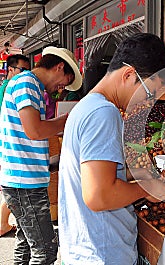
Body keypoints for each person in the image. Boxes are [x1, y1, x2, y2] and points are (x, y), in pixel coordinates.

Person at [58, 33, 165, 265]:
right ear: (129, 74)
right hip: (102, 254)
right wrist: (146, 188)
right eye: (150, 92)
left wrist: (136, 174)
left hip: (86, 249)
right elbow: (99, 196)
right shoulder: (104, 114)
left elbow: (94, 176)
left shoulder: (86, 107)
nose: (148, 101)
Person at [0, 46, 82, 264]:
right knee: (45, 251)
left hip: (23, 179)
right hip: (24, 183)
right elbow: (34, 131)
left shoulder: (28, 84)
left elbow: (27, 138)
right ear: (59, 66)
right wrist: (67, 120)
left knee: (27, 244)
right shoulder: (27, 83)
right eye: (65, 80)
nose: (61, 87)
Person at [0, 54, 30, 237]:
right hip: (7, 142)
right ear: (10, 69)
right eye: (23, 70)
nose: (26, 74)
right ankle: (3, 222)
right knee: (12, 185)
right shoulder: (9, 88)